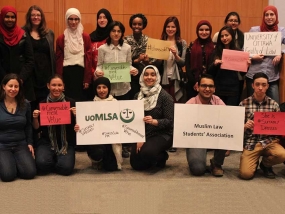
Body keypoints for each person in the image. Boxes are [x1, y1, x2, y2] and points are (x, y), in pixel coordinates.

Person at [239, 72, 285, 180]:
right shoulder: (243, 104)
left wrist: (271, 130)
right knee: (245, 174)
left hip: (269, 141)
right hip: (251, 142)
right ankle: (252, 162)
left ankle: (265, 164)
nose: (260, 88)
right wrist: (244, 126)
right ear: (253, 85)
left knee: (282, 154)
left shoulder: (274, 105)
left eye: (264, 85)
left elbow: (279, 128)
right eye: (258, 84)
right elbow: (235, 127)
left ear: (268, 86)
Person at [130, 65, 174, 170]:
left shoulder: (165, 97)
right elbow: (134, 120)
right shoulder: (137, 96)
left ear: (157, 77)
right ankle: (152, 155)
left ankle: (162, 156)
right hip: (145, 133)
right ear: (142, 77)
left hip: (162, 134)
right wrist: (138, 137)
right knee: (136, 164)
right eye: (146, 74)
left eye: (153, 75)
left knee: (147, 154)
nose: (149, 77)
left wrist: (155, 121)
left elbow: (170, 121)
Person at [74, 77, 123, 171]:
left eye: (104, 87)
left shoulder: (116, 104)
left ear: (108, 88)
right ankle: (97, 160)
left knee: (111, 168)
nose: (101, 90)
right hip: (96, 140)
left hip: (111, 139)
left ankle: (106, 159)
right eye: (98, 88)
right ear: (95, 89)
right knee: (97, 152)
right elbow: (85, 125)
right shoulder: (90, 105)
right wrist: (78, 122)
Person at [32, 74, 76, 176]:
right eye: (53, 85)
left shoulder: (71, 103)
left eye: (59, 85)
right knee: (41, 164)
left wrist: (76, 116)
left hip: (66, 142)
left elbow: (78, 128)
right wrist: (35, 118)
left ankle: (58, 158)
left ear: (63, 86)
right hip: (47, 142)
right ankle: (54, 157)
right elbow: (36, 128)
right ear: (48, 86)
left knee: (66, 168)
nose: (56, 88)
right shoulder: (42, 104)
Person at [185, 74, 227, 177]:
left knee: (225, 134)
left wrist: (229, 144)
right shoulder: (190, 104)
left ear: (214, 89)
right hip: (196, 140)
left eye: (211, 86)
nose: (207, 89)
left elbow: (227, 123)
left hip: (214, 137)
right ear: (197, 87)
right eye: (204, 86)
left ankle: (216, 163)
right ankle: (197, 158)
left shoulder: (218, 101)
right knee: (198, 170)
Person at [0, 73, 36, 182]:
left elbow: (28, 126)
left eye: (16, 86)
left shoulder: (25, 104)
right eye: (10, 86)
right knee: (8, 176)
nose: (13, 89)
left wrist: (30, 143)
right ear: (4, 86)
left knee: (30, 173)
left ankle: (11, 162)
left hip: (20, 144)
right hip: (2, 145)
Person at [246, 5, 285, 104]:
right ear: (263, 17)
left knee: (275, 104)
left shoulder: (281, 31)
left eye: (272, 14)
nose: (269, 17)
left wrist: (281, 53)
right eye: (266, 15)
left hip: (271, 75)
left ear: (276, 16)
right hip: (253, 74)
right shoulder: (254, 30)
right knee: (252, 105)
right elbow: (245, 50)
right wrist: (252, 56)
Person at [95, 21, 138, 100]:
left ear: (122, 33)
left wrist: (134, 70)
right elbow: (99, 65)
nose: (116, 34)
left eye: (119, 31)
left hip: (124, 88)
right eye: (113, 31)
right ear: (109, 32)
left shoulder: (127, 48)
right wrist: (97, 72)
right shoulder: (102, 48)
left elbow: (129, 65)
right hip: (108, 90)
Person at [56, 8, 92, 102]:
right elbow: (59, 60)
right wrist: (60, 80)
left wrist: (87, 79)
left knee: (81, 101)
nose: (73, 22)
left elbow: (88, 59)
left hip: (81, 73)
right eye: (70, 19)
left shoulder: (85, 37)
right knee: (68, 101)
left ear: (79, 20)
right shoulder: (61, 38)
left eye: (76, 19)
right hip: (67, 73)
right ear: (67, 20)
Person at [23, 5, 55, 111]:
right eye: (33, 15)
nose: (36, 17)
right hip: (30, 76)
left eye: (38, 15)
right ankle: (33, 127)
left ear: (42, 17)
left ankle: (45, 128)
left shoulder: (49, 33)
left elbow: (52, 54)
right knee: (31, 106)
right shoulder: (22, 33)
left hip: (46, 75)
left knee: (45, 106)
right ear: (29, 17)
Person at [0, 6, 35, 102]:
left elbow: (30, 60)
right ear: (2, 17)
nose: (10, 19)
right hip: (1, 81)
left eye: (13, 17)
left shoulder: (23, 34)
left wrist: (19, 80)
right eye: (7, 17)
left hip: (23, 82)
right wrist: (6, 81)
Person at [208, 26, 247, 106]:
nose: (224, 38)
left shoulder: (238, 52)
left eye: (227, 35)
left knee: (230, 112)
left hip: (233, 88)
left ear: (232, 36)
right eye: (222, 36)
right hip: (219, 87)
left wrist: (247, 66)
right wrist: (215, 64)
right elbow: (210, 73)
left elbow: (242, 74)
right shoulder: (216, 52)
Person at [158, 16, 187, 103]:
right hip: (163, 78)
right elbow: (156, 64)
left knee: (176, 103)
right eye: (168, 26)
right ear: (165, 28)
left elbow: (183, 63)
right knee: (165, 103)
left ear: (177, 28)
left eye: (173, 27)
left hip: (176, 79)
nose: (170, 29)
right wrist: (160, 57)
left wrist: (175, 55)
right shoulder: (160, 42)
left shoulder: (182, 43)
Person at [185, 20, 215, 100]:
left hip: (209, 86)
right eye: (201, 30)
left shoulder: (214, 47)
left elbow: (214, 68)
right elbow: (187, 65)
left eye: (207, 30)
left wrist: (205, 84)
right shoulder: (191, 45)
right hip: (193, 84)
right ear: (197, 31)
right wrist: (194, 82)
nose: (204, 32)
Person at [89, 8, 113, 100]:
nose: (102, 20)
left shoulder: (113, 37)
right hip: (94, 78)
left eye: (105, 17)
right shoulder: (91, 37)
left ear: (109, 19)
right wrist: (94, 73)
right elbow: (88, 59)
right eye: (99, 17)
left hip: (111, 78)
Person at [124, 13, 150, 98]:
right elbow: (124, 60)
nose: (137, 26)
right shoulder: (125, 41)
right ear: (131, 25)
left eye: (139, 24)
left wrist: (146, 61)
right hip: (130, 76)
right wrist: (137, 60)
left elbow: (152, 63)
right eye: (134, 24)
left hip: (146, 76)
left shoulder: (148, 41)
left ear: (143, 25)